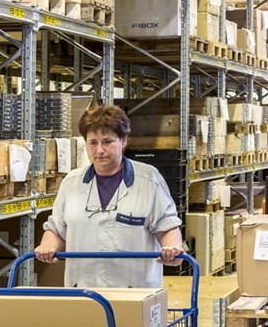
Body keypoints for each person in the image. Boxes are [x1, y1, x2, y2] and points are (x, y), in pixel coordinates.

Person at [35, 104, 184, 287]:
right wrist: (47, 247)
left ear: (124, 141)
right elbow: (57, 229)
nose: (99, 150)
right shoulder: (71, 182)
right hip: (84, 291)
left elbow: (167, 225)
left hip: (135, 292)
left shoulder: (148, 180)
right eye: (93, 143)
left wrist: (172, 249)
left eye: (107, 142)